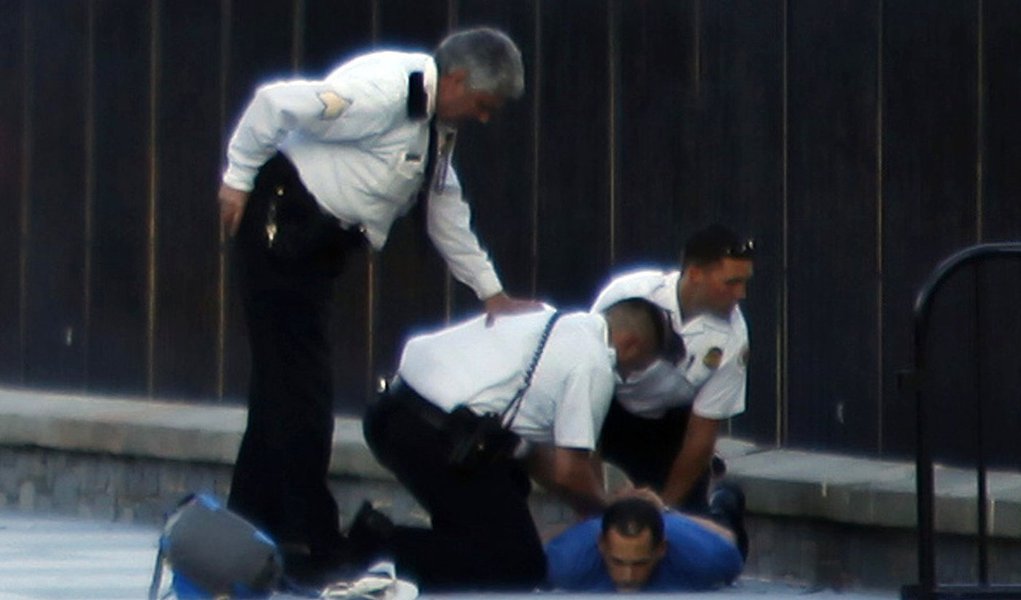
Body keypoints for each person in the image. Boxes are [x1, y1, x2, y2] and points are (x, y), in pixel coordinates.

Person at [218, 27, 539, 581]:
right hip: (280, 228)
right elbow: (275, 103)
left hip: (315, 250)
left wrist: (491, 292)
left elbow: (443, 207)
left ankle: (245, 531)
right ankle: (309, 543)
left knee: (279, 393)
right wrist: (237, 177)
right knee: (303, 396)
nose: (485, 118)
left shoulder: (436, 122)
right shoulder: (388, 94)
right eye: (484, 105)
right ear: (458, 80)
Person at [357, 299, 667, 592]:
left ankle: (410, 567)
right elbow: (570, 471)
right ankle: (374, 545)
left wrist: (590, 505)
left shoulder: (548, 321)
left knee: (512, 488)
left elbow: (534, 458)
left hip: (393, 415)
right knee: (519, 565)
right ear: (630, 344)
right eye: (636, 368)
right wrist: (612, 511)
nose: (629, 377)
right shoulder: (595, 362)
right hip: (434, 437)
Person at [592, 224, 754, 513]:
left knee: (686, 522)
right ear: (694, 275)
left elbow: (701, 435)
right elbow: (585, 389)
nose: (740, 294)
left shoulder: (733, 337)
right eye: (730, 283)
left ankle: (724, 512)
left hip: (669, 425)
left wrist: (665, 508)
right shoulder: (629, 294)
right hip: (606, 408)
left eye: (745, 282)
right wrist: (593, 504)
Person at [544, 486, 746, 592]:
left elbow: (728, 539)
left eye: (640, 563)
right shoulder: (566, 564)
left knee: (723, 520)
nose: (628, 577)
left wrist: (666, 511)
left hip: (680, 528)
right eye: (618, 562)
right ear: (602, 546)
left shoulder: (706, 560)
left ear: (661, 550)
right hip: (593, 529)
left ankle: (721, 502)